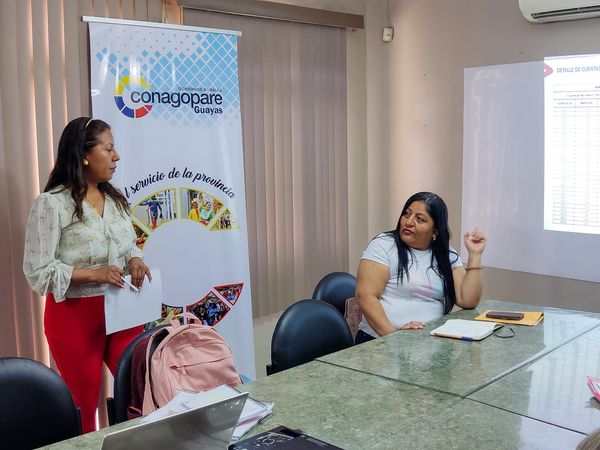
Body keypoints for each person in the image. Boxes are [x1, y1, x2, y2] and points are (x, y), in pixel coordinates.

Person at [23, 117, 152, 433]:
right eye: (108, 149)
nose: (116, 156)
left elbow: (126, 245)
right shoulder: (52, 204)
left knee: (141, 391)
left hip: (121, 309)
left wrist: (135, 259)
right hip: (74, 316)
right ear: (83, 155)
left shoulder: (115, 199)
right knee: (83, 406)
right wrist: (94, 274)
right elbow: (38, 271)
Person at [355, 191, 486, 344]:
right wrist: (394, 337)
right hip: (380, 341)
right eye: (407, 214)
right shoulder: (384, 245)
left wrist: (475, 255)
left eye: (419, 219)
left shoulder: (445, 254)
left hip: (429, 342)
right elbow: (365, 296)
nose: (409, 222)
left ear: (435, 231)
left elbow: (467, 300)